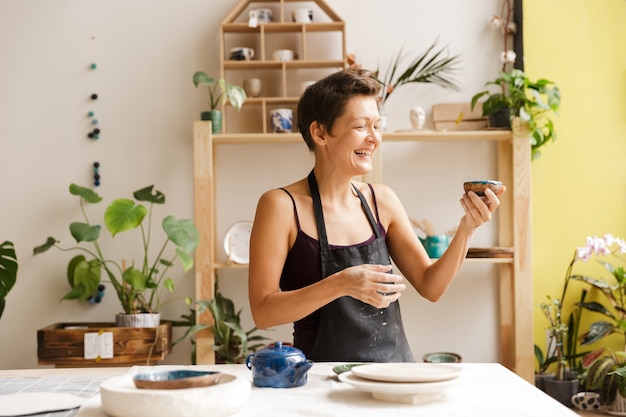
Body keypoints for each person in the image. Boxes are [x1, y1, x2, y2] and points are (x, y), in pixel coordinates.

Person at [248, 68, 505, 362]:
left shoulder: (382, 200)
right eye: (361, 126)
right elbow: (263, 312)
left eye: (377, 126)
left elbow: (431, 286)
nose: (374, 138)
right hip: (323, 383)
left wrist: (467, 227)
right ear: (319, 132)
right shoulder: (280, 206)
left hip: (393, 376)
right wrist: (341, 283)